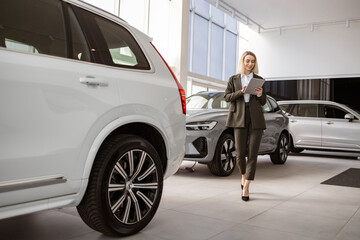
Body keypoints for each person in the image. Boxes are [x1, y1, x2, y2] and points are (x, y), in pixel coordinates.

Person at [224, 51, 266, 201]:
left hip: (256, 118)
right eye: (247, 61)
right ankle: (243, 176)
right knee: (240, 154)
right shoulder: (234, 79)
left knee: (253, 154)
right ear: (243, 62)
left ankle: (247, 186)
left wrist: (260, 94)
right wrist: (240, 92)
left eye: (253, 61)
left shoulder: (259, 79)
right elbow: (227, 97)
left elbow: (263, 102)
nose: (250, 64)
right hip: (238, 117)